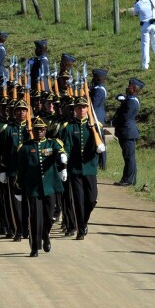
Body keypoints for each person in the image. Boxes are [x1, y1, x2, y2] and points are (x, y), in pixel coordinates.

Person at [16, 117, 66, 257]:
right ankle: (34, 246)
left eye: (42, 130)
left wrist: (62, 158)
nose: (39, 132)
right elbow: (21, 169)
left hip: (50, 186)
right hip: (33, 188)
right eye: (37, 129)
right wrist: (18, 187)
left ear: (46, 131)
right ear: (33, 130)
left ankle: (46, 235)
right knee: (35, 217)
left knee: (49, 216)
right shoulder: (25, 147)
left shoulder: (52, 143)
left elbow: (60, 150)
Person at [61, 97, 104, 239]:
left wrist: (100, 150)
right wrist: (64, 160)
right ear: (75, 110)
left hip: (90, 168)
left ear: (87, 109)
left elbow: (101, 144)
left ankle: (84, 222)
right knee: (78, 199)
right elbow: (66, 145)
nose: (81, 110)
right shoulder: (69, 127)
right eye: (78, 108)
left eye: (83, 107)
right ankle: (80, 228)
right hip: (75, 169)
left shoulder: (95, 125)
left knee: (91, 199)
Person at [112, 78, 144, 187]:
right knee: (128, 156)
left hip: (127, 131)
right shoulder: (131, 99)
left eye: (130, 86)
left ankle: (128, 180)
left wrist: (115, 121)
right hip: (127, 131)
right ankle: (129, 179)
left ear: (134, 88)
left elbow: (125, 116)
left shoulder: (131, 101)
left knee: (129, 157)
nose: (127, 87)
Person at [130, 0, 155, 70]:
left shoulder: (138, 4)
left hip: (145, 25)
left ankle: (145, 65)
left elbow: (135, 13)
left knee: (145, 45)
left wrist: (136, 1)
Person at [90, 68, 108, 170]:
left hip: (97, 115)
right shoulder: (98, 88)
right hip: (99, 113)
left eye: (96, 77)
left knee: (99, 139)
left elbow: (93, 104)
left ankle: (101, 162)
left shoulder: (99, 90)